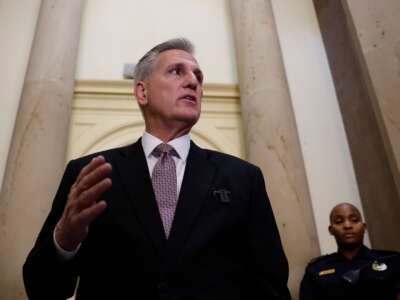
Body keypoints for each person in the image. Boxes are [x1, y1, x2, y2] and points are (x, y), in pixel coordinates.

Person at [23, 38, 291, 300]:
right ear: (142, 92)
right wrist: (64, 240)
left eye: (198, 76)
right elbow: (42, 290)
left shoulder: (243, 178)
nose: (193, 81)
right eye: (177, 71)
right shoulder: (89, 174)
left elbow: (271, 285)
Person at [300, 202, 400, 300]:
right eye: (339, 221)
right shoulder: (316, 269)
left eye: (354, 220)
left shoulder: (391, 261)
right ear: (331, 230)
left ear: (364, 227)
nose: (347, 225)